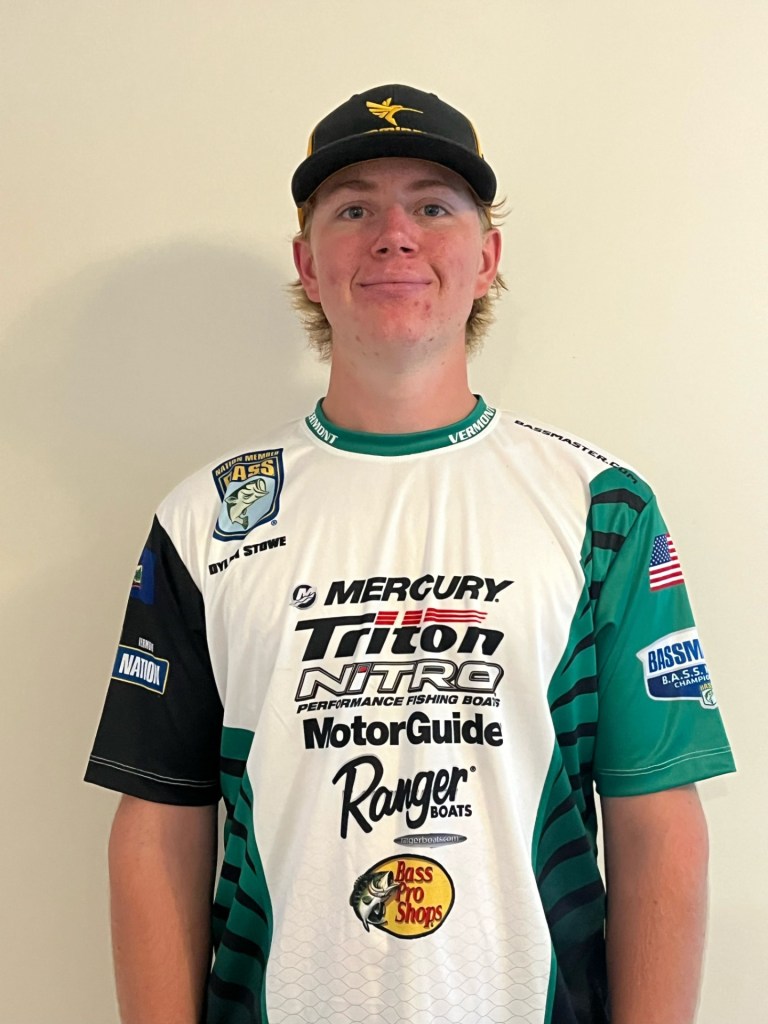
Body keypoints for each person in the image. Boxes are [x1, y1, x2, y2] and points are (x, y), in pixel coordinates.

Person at [86, 84, 736, 1024]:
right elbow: (159, 823)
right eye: (354, 210)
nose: (395, 235)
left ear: (487, 258)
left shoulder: (602, 506)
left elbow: (658, 822)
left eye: (433, 207)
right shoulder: (205, 519)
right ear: (308, 264)